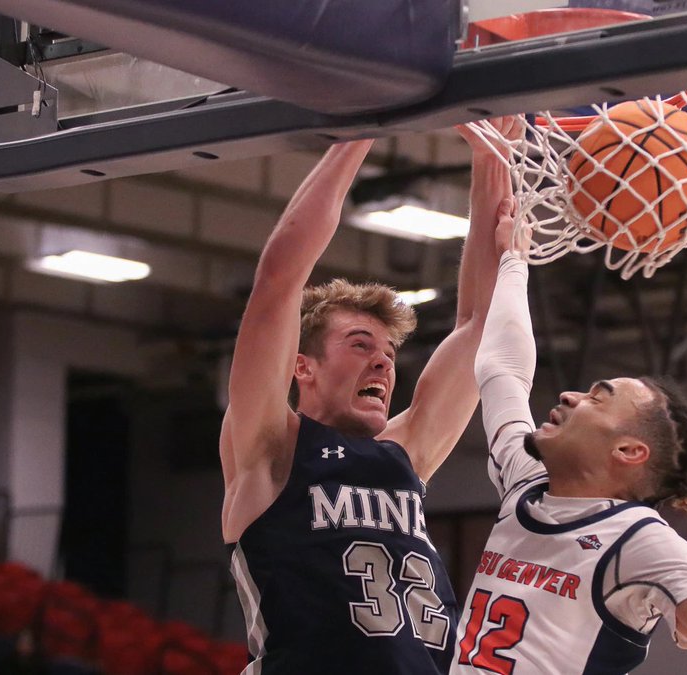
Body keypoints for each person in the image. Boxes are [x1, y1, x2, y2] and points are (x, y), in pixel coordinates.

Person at [220, 122, 517, 675]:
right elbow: (280, 276)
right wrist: (364, 126)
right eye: (360, 345)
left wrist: (490, 156)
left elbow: (481, 325)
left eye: (386, 351)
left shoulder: (406, 453)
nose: (383, 361)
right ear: (300, 367)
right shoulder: (272, 447)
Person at [452, 198, 687, 674]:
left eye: (597, 398)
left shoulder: (636, 539)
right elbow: (502, 369)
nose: (568, 395)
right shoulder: (524, 481)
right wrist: (513, 263)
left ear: (629, 451)